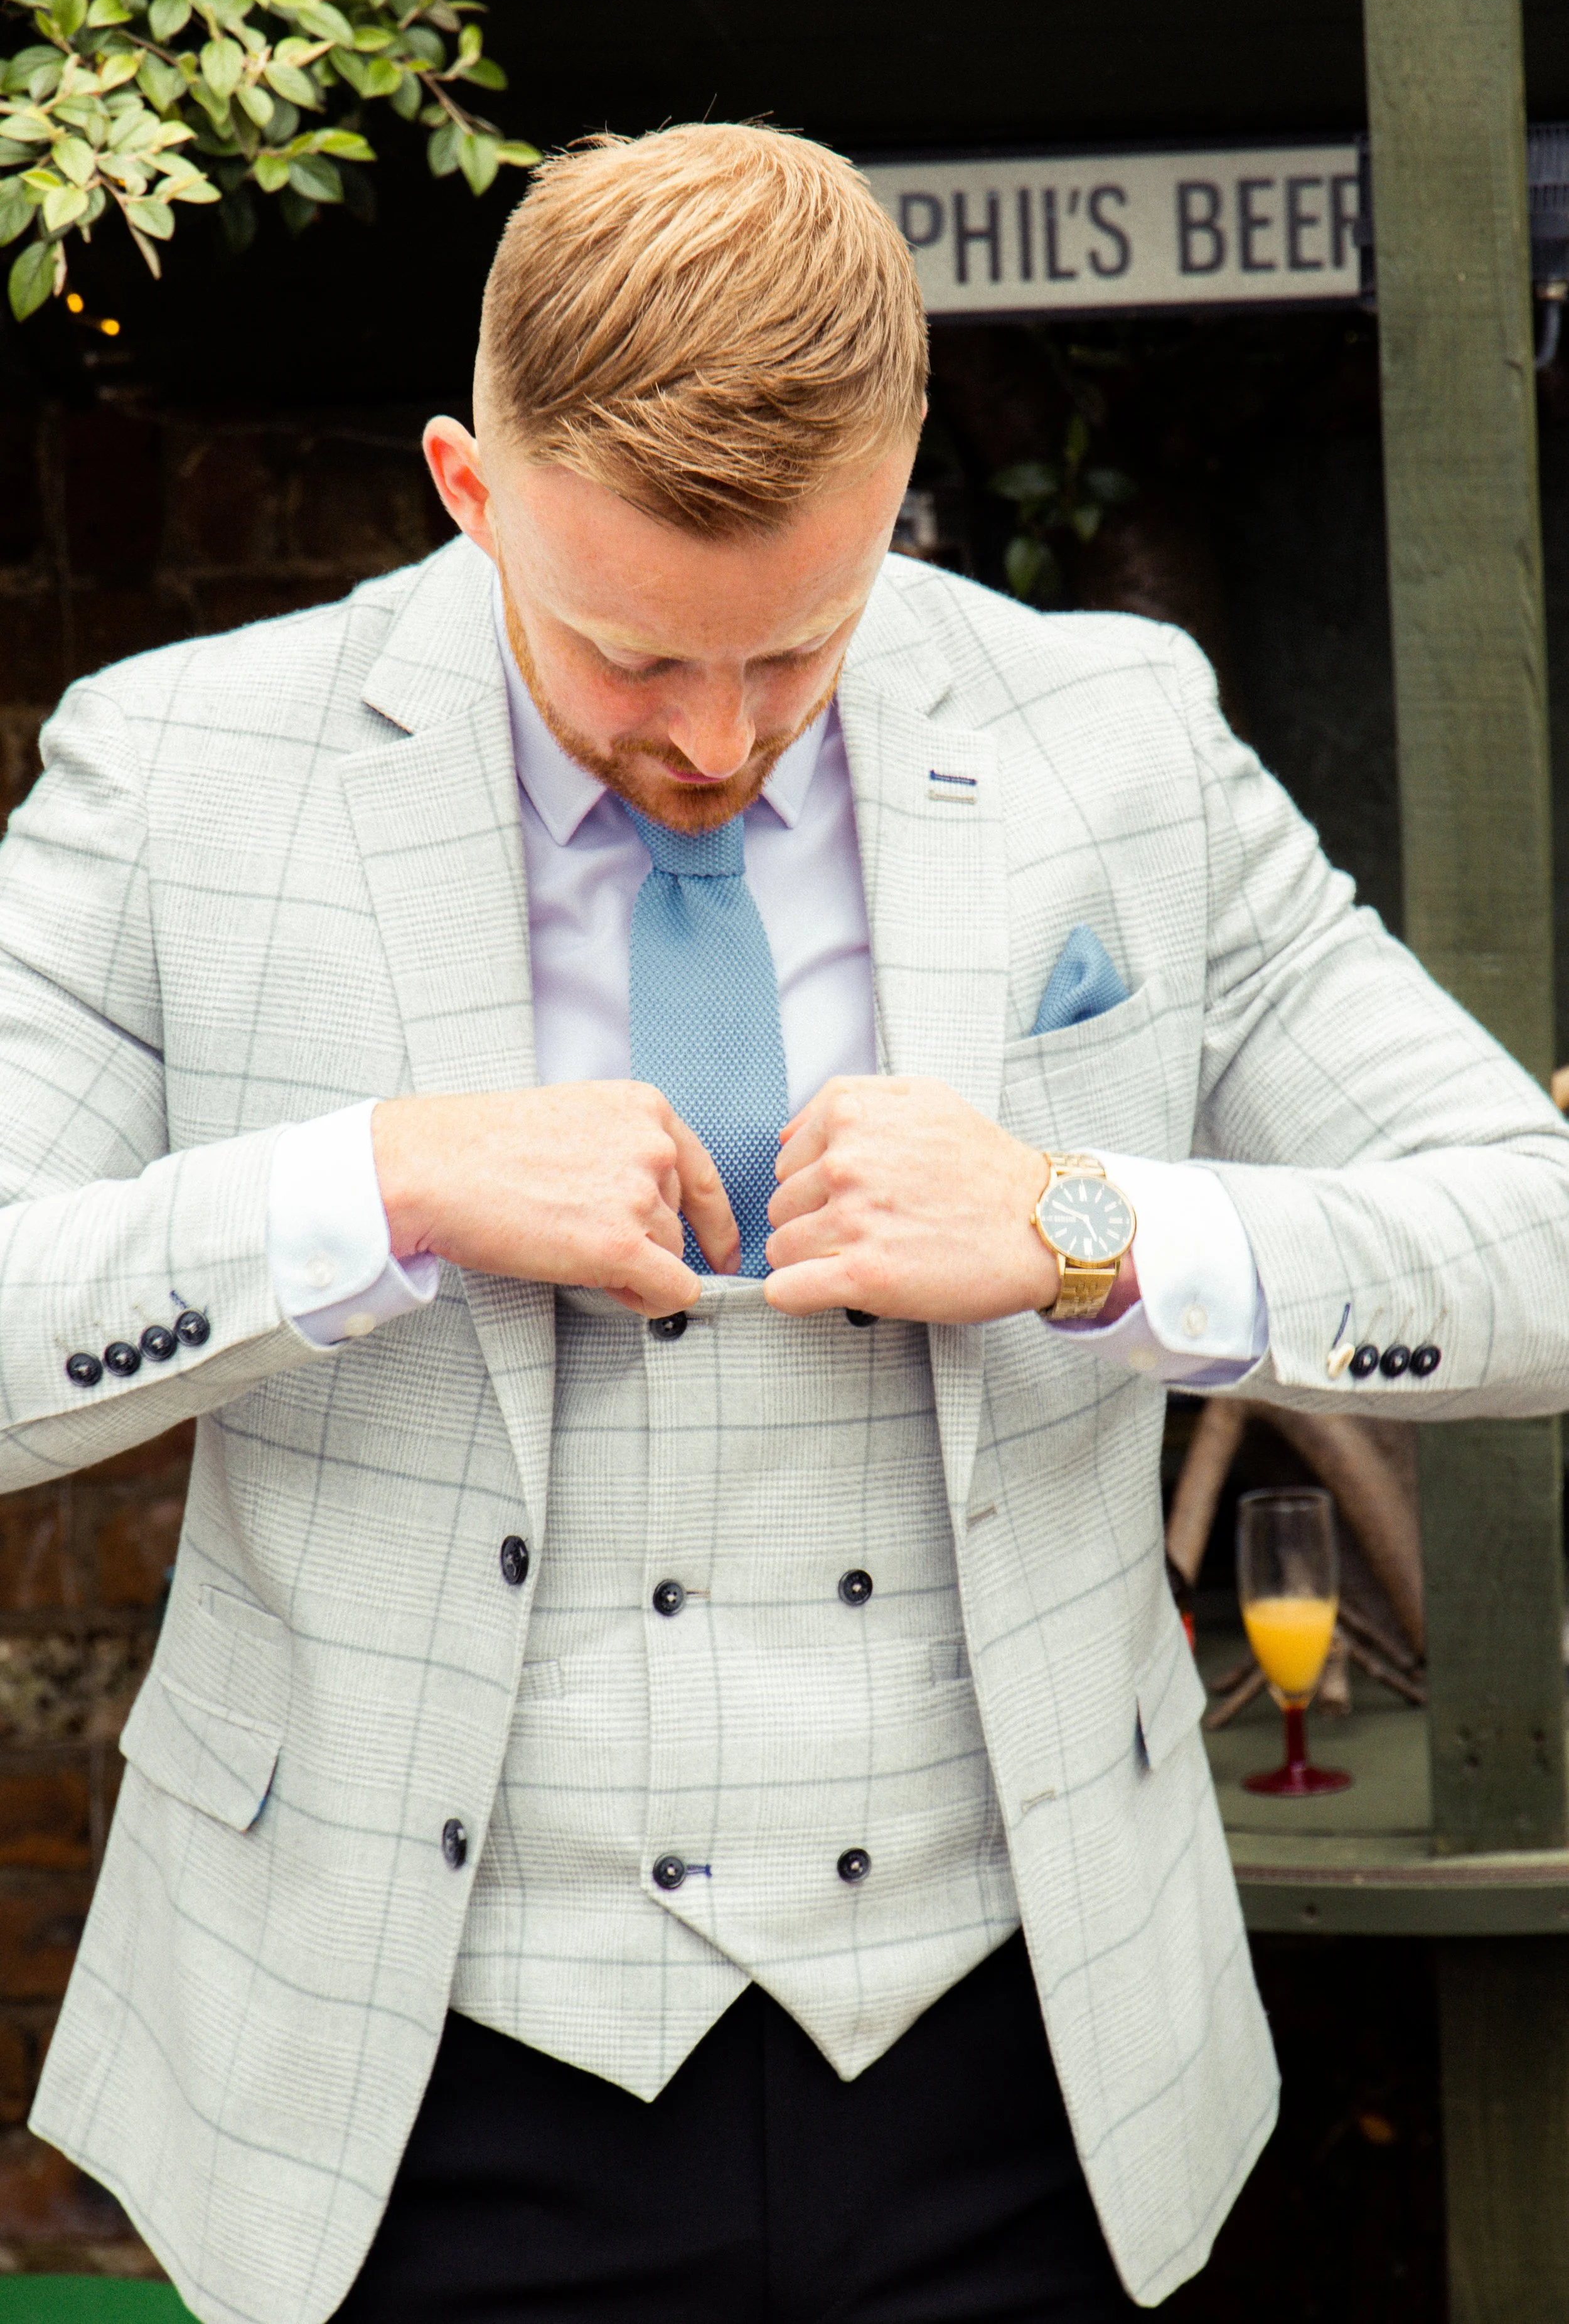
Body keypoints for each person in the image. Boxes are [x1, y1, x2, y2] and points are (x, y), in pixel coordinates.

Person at [3, 122, 1567, 2324]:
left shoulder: (1111, 736)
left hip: (1021, 2065)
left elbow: (1531, 1236)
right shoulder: (175, 774)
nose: (717, 739)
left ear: (902, 483)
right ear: (470, 489)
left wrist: (1077, 1223)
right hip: (410, 2084)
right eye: (632, 654)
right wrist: (376, 1183)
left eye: (800, 644)